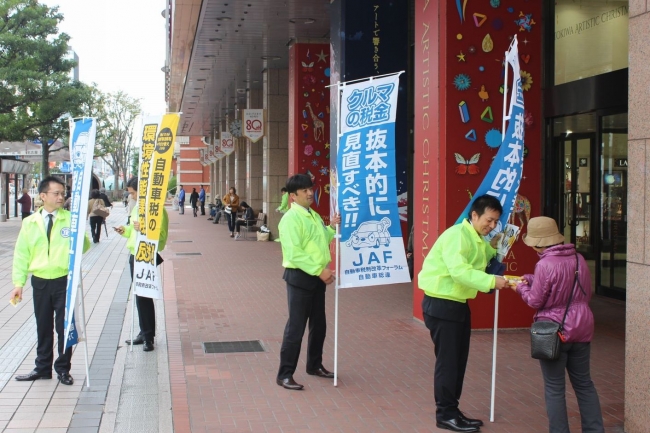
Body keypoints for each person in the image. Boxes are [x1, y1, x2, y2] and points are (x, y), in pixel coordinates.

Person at [418, 194, 508, 432]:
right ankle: (445, 414)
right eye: (488, 220)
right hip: (442, 304)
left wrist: (498, 246)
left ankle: (452, 409)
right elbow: (459, 271)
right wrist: (491, 281)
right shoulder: (457, 235)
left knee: (457, 362)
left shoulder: (476, 238)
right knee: (448, 363)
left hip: (456, 304)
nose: (491, 225)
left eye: (495, 222)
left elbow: (484, 260)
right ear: (474, 215)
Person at [510, 217, 604, 433]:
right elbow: (581, 292)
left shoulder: (544, 264)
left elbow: (535, 300)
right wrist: (531, 279)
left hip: (553, 331)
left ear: (537, 243)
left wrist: (520, 287)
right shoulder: (579, 259)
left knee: (554, 388)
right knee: (584, 385)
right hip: (582, 327)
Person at [11, 176, 90, 385]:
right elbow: (21, 254)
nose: (60, 197)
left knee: (64, 327)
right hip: (40, 281)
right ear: (43, 195)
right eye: (56, 193)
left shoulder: (69, 219)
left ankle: (63, 369)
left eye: (62, 193)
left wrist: (79, 232)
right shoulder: (30, 223)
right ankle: (42, 367)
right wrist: (18, 283)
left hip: (64, 280)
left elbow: (84, 248)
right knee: (43, 325)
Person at [276, 174, 341, 391]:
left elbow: (321, 240)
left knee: (319, 325)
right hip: (300, 277)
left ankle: (314, 365)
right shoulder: (290, 219)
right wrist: (319, 271)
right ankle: (285, 374)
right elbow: (294, 253)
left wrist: (331, 228)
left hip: (316, 277)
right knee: (296, 328)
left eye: (310, 189)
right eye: (304, 190)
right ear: (292, 196)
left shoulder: (311, 214)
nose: (309, 192)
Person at [115, 176, 168, 352]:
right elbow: (132, 230)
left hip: (146, 254)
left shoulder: (157, 210)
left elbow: (161, 239)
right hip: (134, 254)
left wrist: (144, 228)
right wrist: (125, 230)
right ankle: (144, 332)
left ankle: (148, 337)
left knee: (145, 295)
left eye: (133, 193)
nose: (131, 196)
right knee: (139, 295)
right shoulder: (137, 207)